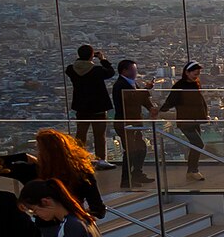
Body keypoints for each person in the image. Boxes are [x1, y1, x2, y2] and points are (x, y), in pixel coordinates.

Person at [158, 61, 211, 181]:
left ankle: (191, 171)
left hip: (195, 119)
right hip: (185, 121)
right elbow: (171, 101)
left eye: (197, 73)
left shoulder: (195, 83)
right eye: (194, 72)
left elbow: (200, 101)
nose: (196, 74)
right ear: (186, 72)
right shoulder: (179, 86)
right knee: (198, 144)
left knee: (196, 145)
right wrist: (161, 110)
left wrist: (205, 115)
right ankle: (193, 170)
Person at [66, 44, 113, 161]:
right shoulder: (97, 70)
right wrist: (102, 59)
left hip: (81, 107)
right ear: (92, 56)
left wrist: (83, 58)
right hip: (98, 107)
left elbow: (76, 65)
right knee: (100, 136)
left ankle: (78, 159)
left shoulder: (71, 69)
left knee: (80, 136)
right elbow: (111, 72)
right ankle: (101, 160)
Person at [111, 58, 152, 187]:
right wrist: (146, 89)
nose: (136, 72)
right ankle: (126, 179)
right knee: (130, 151)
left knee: (141, 148)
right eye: (133, 70)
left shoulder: (131, 83)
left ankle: (137, 174)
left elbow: (141, 99)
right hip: (125, 122)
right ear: (124, 70)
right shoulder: (120, 85)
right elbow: (133, 99)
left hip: (134, 121)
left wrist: (151, 108)